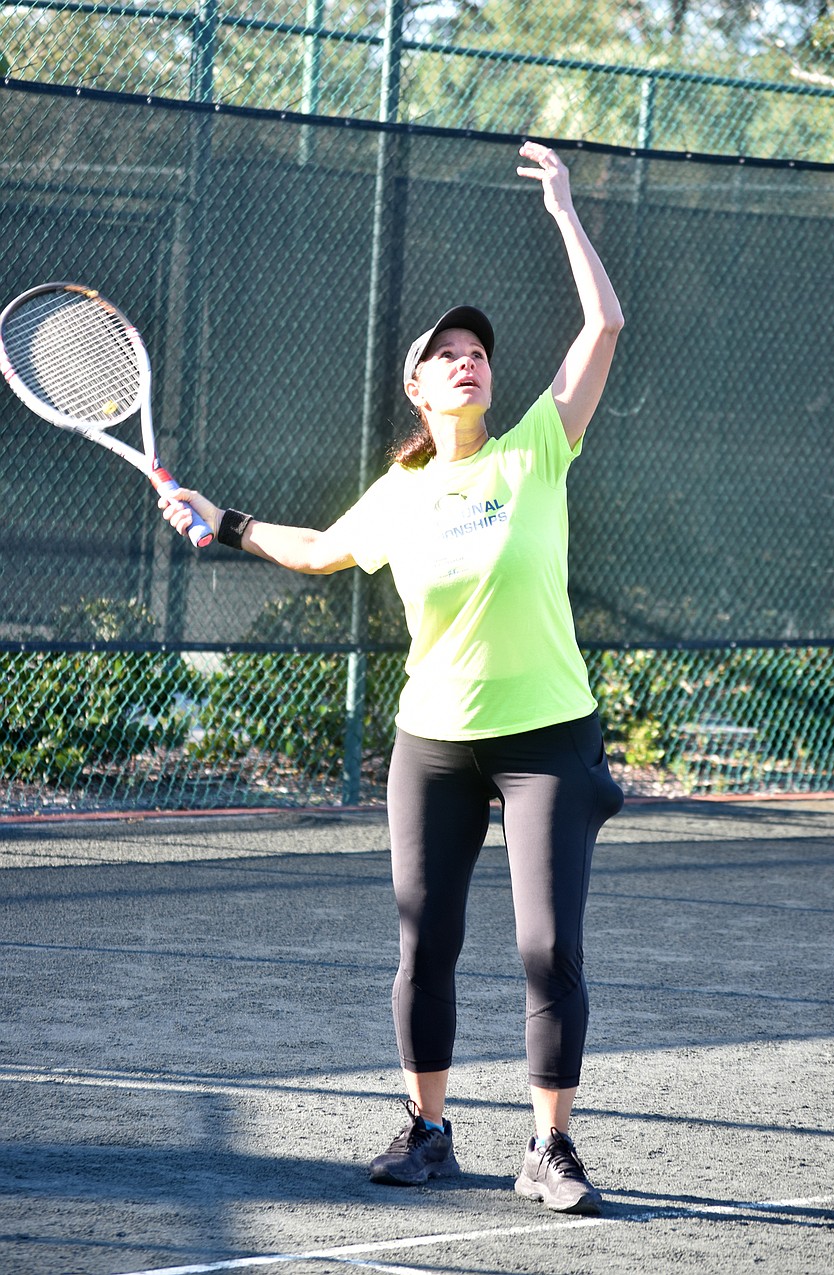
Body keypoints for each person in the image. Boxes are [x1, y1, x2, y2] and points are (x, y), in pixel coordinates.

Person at [161, 140, 625, 1215]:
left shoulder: (536, 450)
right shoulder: (399, 494)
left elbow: (601, 328)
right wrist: (219, 522)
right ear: (417, 388)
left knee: (548, 945)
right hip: (434, 744)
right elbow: (321, 548)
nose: (469, 360)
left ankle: (550, 1147)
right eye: (446, 354)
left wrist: (561, 206)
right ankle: (429, 1131)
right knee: (425, 937)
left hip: (549, 737)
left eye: (478, 352)